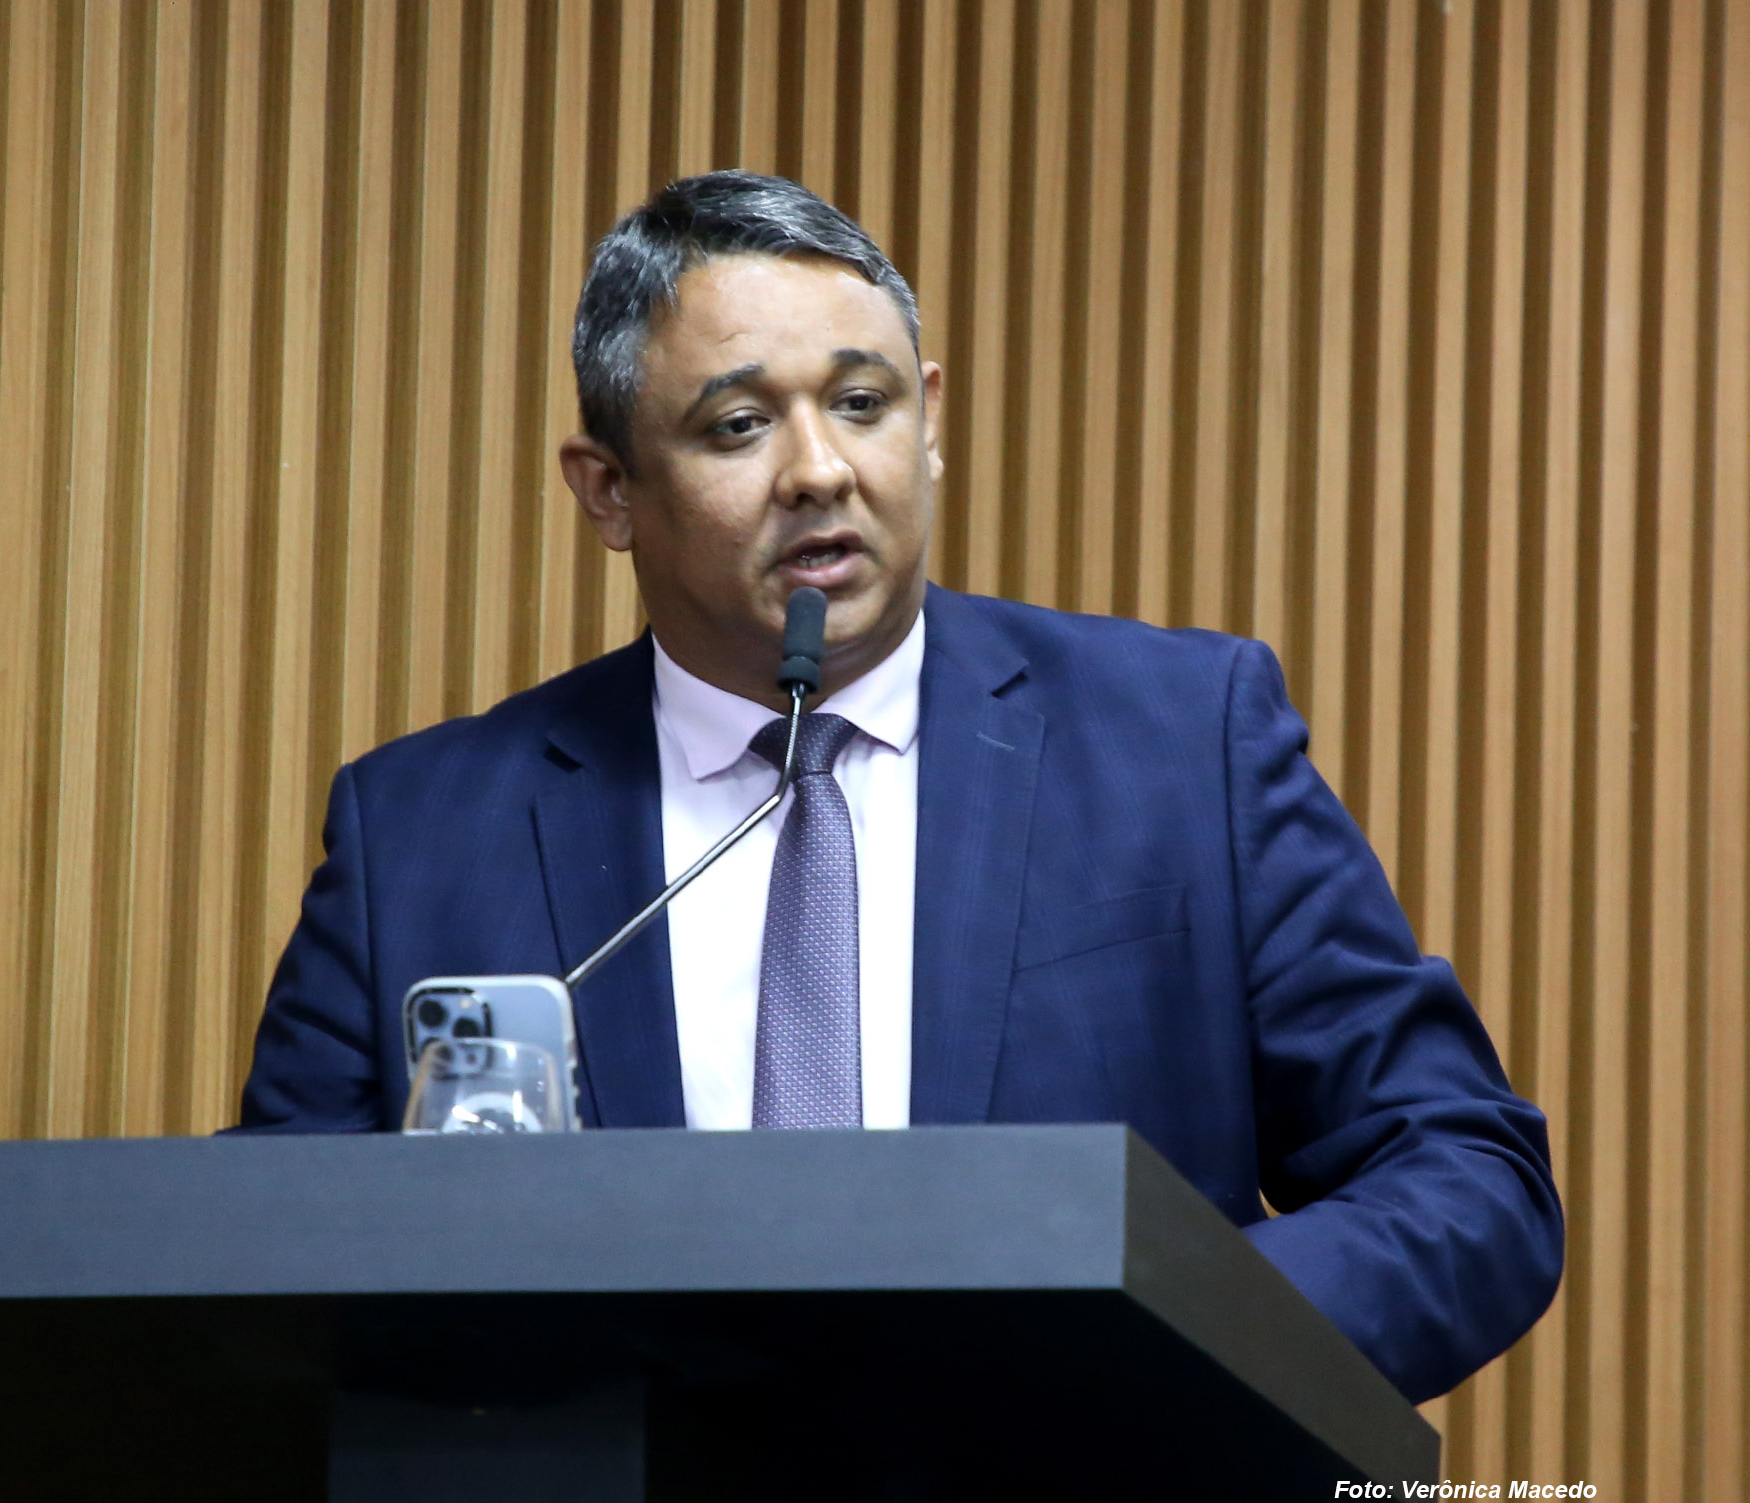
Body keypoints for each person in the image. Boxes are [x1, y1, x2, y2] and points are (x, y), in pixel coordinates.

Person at [233, 170, 1562, 1404]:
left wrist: (1167, 1344)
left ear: (929, 420)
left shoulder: (1178, 746)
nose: (821, 469)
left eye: (864, 404)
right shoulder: (420, 837)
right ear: (610, 491)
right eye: (739, 424)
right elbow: (261, 1279)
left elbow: (1462, 1177)